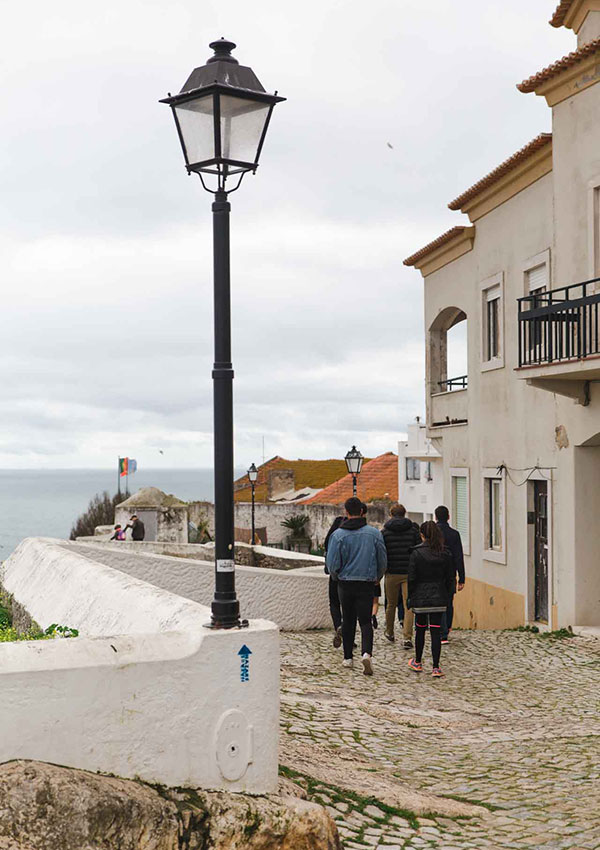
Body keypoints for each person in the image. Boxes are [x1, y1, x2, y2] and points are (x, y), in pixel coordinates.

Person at [326, 496, 387, 675]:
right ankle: (366, 653)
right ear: (362, 511)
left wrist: (338, 577)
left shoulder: (337, 536)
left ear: (346, 512)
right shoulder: (374, 534)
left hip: (345, 583)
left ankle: (347, 658)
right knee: (366, 621)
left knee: (348, 619)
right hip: (366, 583)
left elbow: (332, 563)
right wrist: (377, 576)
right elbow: (382, 559)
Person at [406, 521, 455, 677]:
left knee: (420, 629)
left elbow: (412, 578)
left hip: (421, 597)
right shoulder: (445, 553)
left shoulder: (416, 553)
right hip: (439, 596)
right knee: (435, 630)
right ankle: (436, 667)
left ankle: (418, 662)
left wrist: (410, 597)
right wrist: (447, 595)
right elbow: (450, 577)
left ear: (422, 535)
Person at [381, 503, 421, 647]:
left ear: (391, 515)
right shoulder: (413, 531)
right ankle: (407, 637)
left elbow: (382, 552)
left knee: (391, 604)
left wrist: (383, 569)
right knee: (408, 605)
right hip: (408, 572)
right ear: (404, 514)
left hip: (391, 572)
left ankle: (390, 632)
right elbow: (418, 550)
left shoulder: (384, 532)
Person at [434, 505, 466, 643]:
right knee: (448, 601)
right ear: (448, 517)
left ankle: (440, 630)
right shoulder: (454, 534)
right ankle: (446, 629)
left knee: (437, 601)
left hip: (434, 570)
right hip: (450, 572)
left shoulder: (432, 533)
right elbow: (459, 556)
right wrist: (462, 577)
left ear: (435, 517)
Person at [324, 514, 345, 647]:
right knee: (348, 607)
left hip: (334, 576)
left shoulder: (331, 538)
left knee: (334, 603)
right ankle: (349, 635)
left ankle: (338, 626)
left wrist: (333, 573)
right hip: (348, 576)